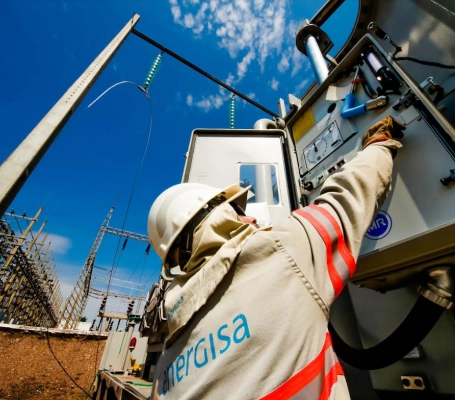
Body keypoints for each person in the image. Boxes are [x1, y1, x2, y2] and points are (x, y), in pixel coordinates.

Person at [147, 116, 404, 399]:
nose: (253, 216)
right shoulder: (279, 252)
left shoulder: (165, 363)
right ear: (219, 215)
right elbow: (350, 195)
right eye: (239, 210)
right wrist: (379, 145)